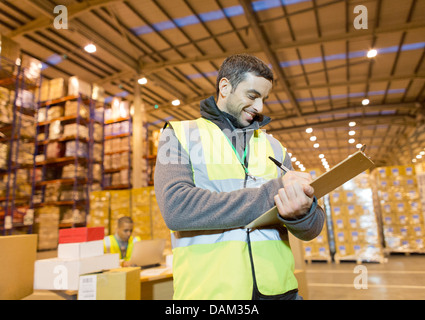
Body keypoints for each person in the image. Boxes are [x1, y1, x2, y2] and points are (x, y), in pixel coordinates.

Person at [154, 53, 325, 300]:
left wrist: (301, 213)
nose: (260, 108)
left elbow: (313, 228)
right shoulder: (178, 135)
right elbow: (177, 209)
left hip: (280, 290)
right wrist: (273, 194)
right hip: (213, 294)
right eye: (252, 96)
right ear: (225, 87)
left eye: (264, 99)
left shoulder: (274, 147)